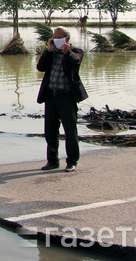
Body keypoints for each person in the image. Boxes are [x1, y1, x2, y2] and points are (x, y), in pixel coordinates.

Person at [36, 26, 88, 172]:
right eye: (55, 37)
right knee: (50, 131)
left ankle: (72, 161)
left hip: (67, 97)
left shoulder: (76, 51)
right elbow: (40, 67)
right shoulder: (51, 53)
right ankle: (52, 161)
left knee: (70, 131)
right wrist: (48, 49)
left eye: (60, 37)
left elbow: (76, 61)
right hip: (51, 97)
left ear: (67, 39)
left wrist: (66, 52)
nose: (57, 40)